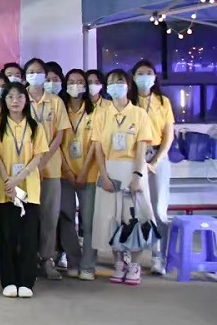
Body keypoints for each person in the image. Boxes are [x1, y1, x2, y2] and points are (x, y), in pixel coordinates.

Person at [91, 69, 154, 285]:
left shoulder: (139, 114)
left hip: (132, 168)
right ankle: (118, 262)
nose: (115, 86)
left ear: (128, 85)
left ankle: (135, 264)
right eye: (111, 82)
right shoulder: (101, 114)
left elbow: (142, 147)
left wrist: (137, 175)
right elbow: (98, 148)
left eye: (119, 82)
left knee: (134, 218)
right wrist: (104, 175)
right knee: (112, 219)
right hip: (109, 169)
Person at [0, 82, 48, 298]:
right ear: (4, 100)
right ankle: (8, 280)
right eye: (10, 97)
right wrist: (8, 181)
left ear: (26, 100)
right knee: (6, 237)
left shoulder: (35, 126)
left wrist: (19, 178)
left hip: (29, 188)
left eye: (20, 96)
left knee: (28, 237)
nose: (15, 101)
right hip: (4, 189)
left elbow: (39, 156)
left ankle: (26, 281)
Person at [24, 58, 70, 281]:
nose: (35, 75)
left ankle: (47, 258)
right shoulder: (18, 98)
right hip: (24, 168)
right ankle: (27, 258)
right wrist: (33, 164)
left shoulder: (55, 102)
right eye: (31, 71)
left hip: (50, 168)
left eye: (39, 71)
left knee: (49, 217)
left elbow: (59, 135)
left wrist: (41, 162)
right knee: (26, 217)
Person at [130, 59, 175, 275]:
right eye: (140, 73)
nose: (144, 77)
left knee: (158, 209)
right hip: (134, 157)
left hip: (157, 157)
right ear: (133, 77)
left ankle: (159, 257)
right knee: (135, 209)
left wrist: (155, 161)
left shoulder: (163, 101)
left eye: (148, 73)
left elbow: (168, 136)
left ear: (155, 77)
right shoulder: (129, 101)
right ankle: (133, 256)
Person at [61, 69, 97, 280]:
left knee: (89, 221)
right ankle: (73, 260)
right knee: (66, 218)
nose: (75, 85)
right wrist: (67, 169)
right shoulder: (60, 108)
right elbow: (55, 142)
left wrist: (83, 171)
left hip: (89, 173)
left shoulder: (94, 110)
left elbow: (96, 143)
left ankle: (88, 265)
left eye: (80, 82)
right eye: (71, 82)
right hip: (64, 174)